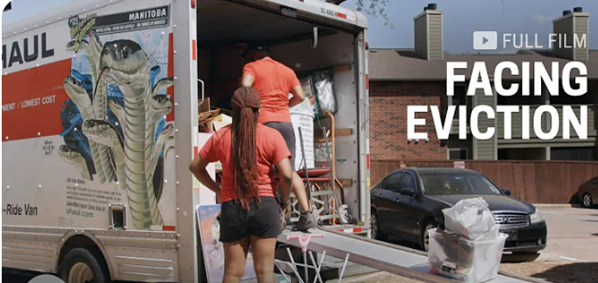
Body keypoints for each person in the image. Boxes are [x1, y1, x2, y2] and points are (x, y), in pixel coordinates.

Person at [189, 87, 294, 283]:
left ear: (233, 111)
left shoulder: (221, 136)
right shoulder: (272, 136)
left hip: (232, 206)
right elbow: (287, 175)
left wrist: (217, 190)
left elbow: (195, 166)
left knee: (232, 273)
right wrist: (284, 203)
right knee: (265, 273)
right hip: (266, 206)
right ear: (258, 110)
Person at [240, 45, 317, 231]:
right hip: (285, 123)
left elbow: (245, 88)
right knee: (288, 172)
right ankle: (307, 214)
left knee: (265, 173)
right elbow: (300, 95)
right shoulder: (287, 70)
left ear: (254, 54)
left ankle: (275, 218)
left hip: (263, 124)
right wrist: (284, 106)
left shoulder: (252, 67)